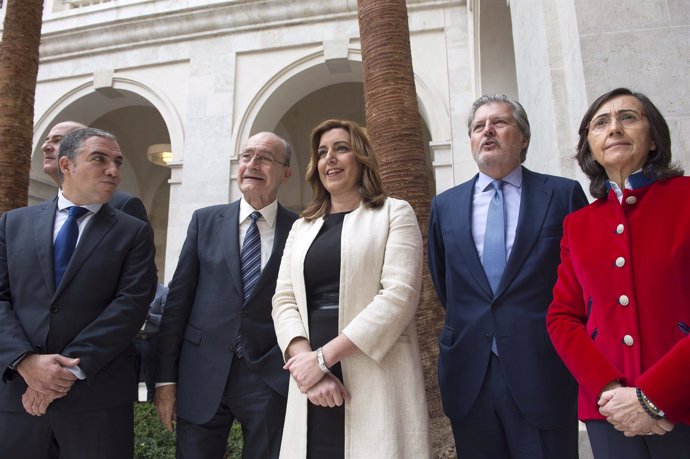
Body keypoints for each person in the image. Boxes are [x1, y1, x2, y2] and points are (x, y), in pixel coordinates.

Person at [428, 94, 588, 458]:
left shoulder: (562, 196)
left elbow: (583, 283)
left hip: (543, 369)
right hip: (470, 374)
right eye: (477, 126)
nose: (487, 131)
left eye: (499, 123)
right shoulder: (445, 206)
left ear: (524, 138)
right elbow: (445, 282)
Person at [272, 119, 431, 458]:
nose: (330, 158)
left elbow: (399, 296)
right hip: (311, 382)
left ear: (361, 158)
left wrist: (323, 359)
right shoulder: (302, 227)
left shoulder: (394, 213)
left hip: (375, 374)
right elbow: (283, 299)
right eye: (322, 152)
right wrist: (307, 366)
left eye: (341, 149)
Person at [547, 87, 690, 458]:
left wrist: (654, 397)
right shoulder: (577, 225)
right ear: (589, 147)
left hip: (684, 403)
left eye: (628, 117)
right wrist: (608, 389)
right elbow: (562, 317)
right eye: (601, 123)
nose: (614, 128)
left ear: (654, 138)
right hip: (608, 413)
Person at [0, 127, 157, 457]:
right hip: (18, 398)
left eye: (117, 162)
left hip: (96, 403)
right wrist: (26, 362)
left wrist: (63, 373)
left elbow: (130, 306)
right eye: (99, 159)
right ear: (66, 165)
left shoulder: (134, 232)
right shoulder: (12, 224)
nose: (113, 170)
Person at [154, 132, 297, 458]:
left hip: (270, 378)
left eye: (264, 158)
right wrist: (164, 380)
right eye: (246, 156)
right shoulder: (205, 221)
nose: (252, 164)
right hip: (200, 374)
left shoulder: (300, 229)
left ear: (286, 173)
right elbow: (177, 304)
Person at [41, 120, 149, 222]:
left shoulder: (124, 205)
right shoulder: (37, 213)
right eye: (47, 140)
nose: (45, 147)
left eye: (58, 140)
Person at [135, 281, 168, 402]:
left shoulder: (163, 292)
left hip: (151, 341)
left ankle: (151, 402)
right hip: (134, 340)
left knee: (150, 377)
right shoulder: (136, 289)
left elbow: (167, 319)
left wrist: (149, 316)